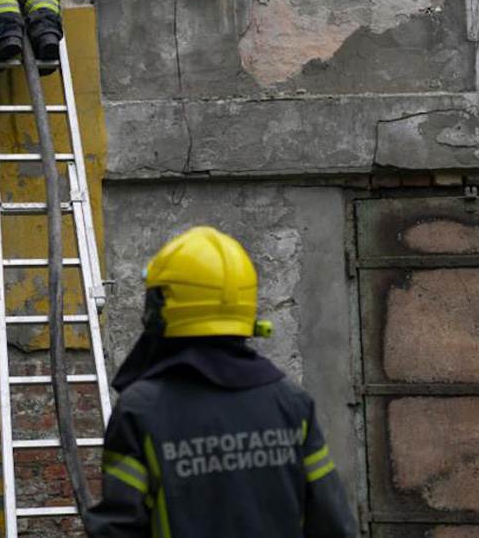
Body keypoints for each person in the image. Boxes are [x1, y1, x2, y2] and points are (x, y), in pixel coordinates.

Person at [83, 227, 358, 537]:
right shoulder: (291, 403)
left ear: (163, 307)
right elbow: (332, 524)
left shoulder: (141, 410)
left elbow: (118, 529)